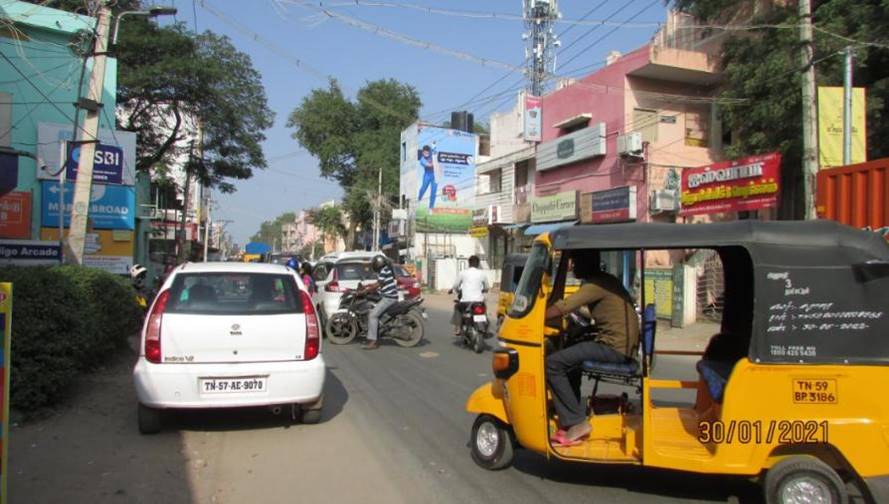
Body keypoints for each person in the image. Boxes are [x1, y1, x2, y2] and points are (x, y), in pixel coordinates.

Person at [543, 250, 640, 446]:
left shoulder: (595, 284)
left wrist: (536, 316)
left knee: (552, 364)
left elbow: (564, 307)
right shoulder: (606, 280)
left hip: (614, 348)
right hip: (621, 346)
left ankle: (576, 422)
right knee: (571, 362)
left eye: (575, 261)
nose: (573, 266)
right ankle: (571, 411)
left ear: (586, 263)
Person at [360, 255, 399, 350]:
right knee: (372, 309)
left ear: (378, 264)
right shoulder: (385, 270)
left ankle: (373, 342)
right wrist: (368, 285)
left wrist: (366, 290)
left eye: (374, 263)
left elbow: (379, 284)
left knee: (373, 315)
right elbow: (379, 282)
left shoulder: (384, 270)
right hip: (388, 296)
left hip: (389, 298)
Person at [449, 255, 490, 335]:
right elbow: (487, 287)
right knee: (484, 308)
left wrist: (453, 290)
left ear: (469, 263)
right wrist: (484, 290)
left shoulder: (463, 273)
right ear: (478, 264)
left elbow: (456, 285)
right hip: (478, 301)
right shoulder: (482, 274)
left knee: (457, 307)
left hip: (465, 301)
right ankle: (485, 324)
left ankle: (458, 327)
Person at [417, 144, 437, 209]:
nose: (426, 154)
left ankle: (431, 207)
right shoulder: (422, 160)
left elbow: (433, 148)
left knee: (433, 191)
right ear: (423, 152)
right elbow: (430, 165)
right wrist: (435, 163)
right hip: (427, 175)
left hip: (435, 175)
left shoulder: (431, 153)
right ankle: (419, 199)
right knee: (423, 188)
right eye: (425, 153)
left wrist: (433, 144)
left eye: (428, 153)